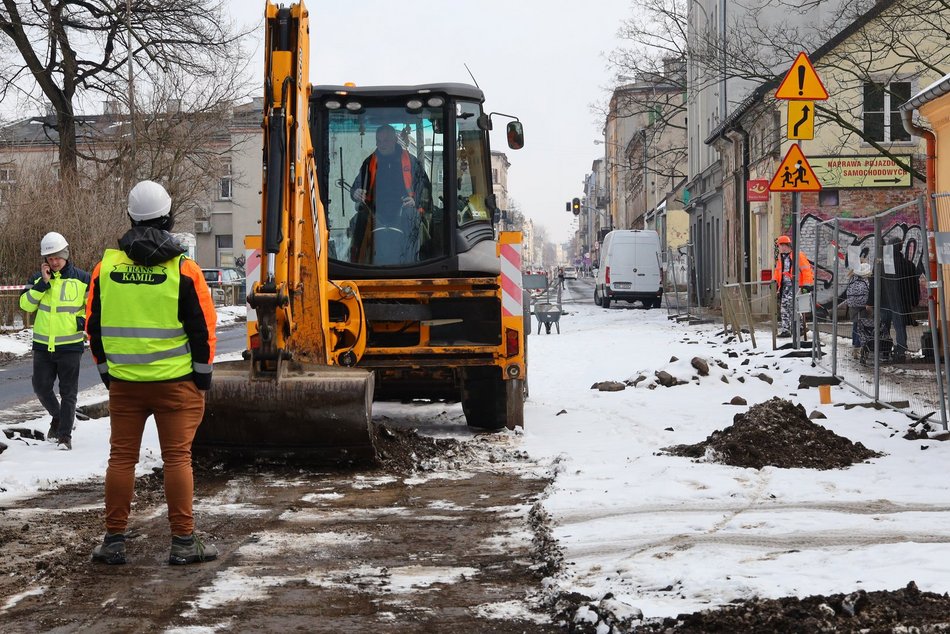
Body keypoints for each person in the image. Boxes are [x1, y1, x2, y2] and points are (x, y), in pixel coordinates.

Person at [85, 180, 218, 566]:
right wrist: (202, 378)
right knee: (178, 459)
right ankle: (182, 542)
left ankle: (113, 542)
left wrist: (109, 374)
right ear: (168, 217)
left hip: (126, 385)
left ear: (131, 217)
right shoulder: (184, 269)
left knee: (121, 459)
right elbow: (203, 329)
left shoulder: (105, 268)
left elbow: (93, 326)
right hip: (177, 384)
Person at [18, 232, 90, 450]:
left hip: (70, 345)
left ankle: (64, 437)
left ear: (66, 254)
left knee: (68, 392)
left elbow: (93, 306)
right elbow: (25, 305)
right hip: (42, 345)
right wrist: (43, 285)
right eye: (50, 258)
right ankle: (58, 417)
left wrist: (81, 321)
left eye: (58, 257)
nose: (54, 261)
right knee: (41, 387)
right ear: (45, 260)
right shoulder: (37, 280)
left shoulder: (82, 278)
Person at [349, 124, 432, 265]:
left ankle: (416, 263)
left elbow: (425, 190)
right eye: (379, 141)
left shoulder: (412, 163)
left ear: (395, 140)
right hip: (374, 213)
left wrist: (415, 201)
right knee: (358, 220)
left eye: (386, 140)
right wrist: (356, 192)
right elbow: (356, 187)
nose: (382, 144)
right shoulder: (369, 163)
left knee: (413, 218)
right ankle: (357, 263)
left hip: (405, 212)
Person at [881, 238, 920, 363]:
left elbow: (876, 284)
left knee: (884, 326)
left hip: (885, 301)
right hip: (901, 301)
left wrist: (872, 301)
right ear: (901, 247)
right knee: (900, 326)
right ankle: (901, 351)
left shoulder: (883, 266)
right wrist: (914, 301)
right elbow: (914, 285)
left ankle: (884, 350)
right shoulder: (908, 265)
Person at [772, 234, 814, 338]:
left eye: (779, 246)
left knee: (790, 306)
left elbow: (806, 270)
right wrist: (774, 281)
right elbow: (778, 272)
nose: (778, 248)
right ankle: (790, 329)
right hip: (785, 286)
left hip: (795, 285)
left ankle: (798, 327)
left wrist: (807, 284)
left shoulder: (798, 255)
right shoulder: (781, 257)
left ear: (784, 245)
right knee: (786, 307)